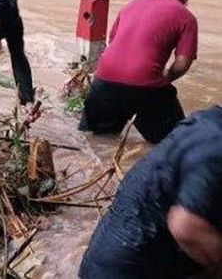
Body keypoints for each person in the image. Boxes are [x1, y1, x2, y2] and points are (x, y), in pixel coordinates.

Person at [79, 105, 222, 278]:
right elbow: (185, 226)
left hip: (109, 259)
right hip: (130, 267)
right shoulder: (215, 147)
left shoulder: (207, 121)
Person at [79, 0, 198, 143]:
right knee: (176, 143)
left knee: (99, 141)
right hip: (146, 87)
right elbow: (182, 64)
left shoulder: (130, 5)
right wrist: (167, 76)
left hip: (103, 81)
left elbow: (113, 42)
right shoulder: (186, 17)